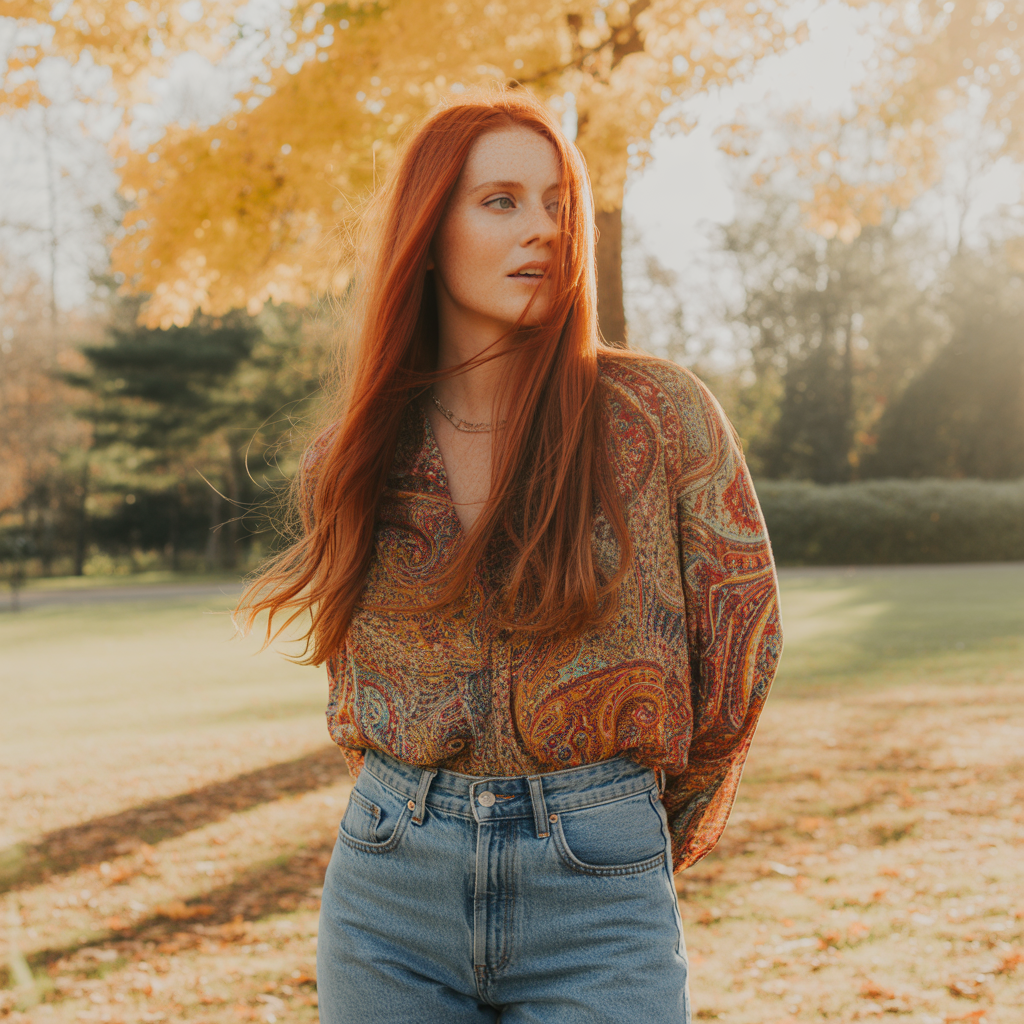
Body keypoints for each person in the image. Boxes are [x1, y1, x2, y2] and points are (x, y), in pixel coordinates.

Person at [237, 89, 782, 1024]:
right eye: (502, 201)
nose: (546, 229)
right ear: (428, 230)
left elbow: (743, 648)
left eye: (560, 205)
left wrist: (622, 829)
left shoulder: (660, 417)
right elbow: (352, 686)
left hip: (599, 899)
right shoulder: (356, 454)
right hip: (388, 898)